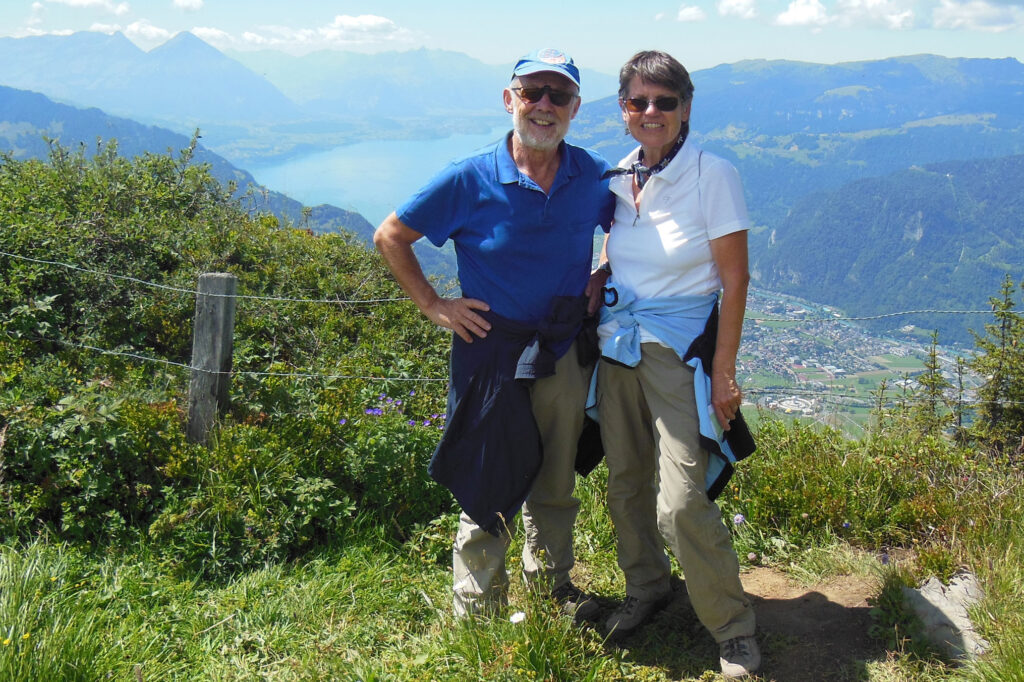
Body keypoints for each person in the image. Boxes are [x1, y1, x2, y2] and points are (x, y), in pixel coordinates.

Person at [374, 48, 614, 620]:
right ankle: (477, 608)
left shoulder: (594, 176)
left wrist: (603, 269)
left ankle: (549, 589)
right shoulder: (470, 177)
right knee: (488, 476)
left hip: (560, 347)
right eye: (533, 93)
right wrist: (434, 304)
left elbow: (626, 226)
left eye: (559, 96)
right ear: (510, 100)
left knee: (555, 479)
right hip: (490, 349)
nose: (544, 106)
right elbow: (391, 236)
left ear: (575, 108)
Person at [585, 50, 760, 678]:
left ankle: (732, 627)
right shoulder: (619, 174)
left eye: (665, 101)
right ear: (624, 110)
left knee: (682, 499)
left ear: (686, 108)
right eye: (639, 101)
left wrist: (724, 371)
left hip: (678, 351)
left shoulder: (713, 175)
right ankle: (648, 588)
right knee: (625, 480)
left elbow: (734, 282)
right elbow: (622, 249)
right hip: (617, 345)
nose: (651, 111)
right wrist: (601, 272)